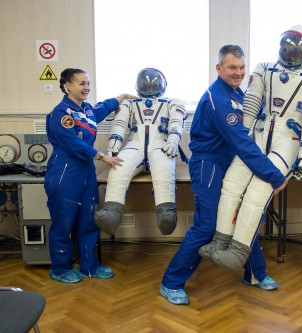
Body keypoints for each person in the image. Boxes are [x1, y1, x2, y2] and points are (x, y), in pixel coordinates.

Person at [200, 25, 302, 271]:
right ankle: (220, 239)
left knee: (257, 192)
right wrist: (243, 134)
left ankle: (238, 251)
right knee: (231, 183)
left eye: (298, 48)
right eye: (287, 46)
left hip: (289, 141)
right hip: (260, 134)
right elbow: (251, 104)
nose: (291, 53)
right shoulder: (265, 69)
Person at [160, 45, 288, 305]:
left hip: (230, 162)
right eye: (232, 67)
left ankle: (254, 273)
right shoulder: (217, 97)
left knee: (242, 216)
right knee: (207, 226)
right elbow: (241, 141)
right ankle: (171, 282)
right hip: (209, 165)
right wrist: (274, 176)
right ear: (219, 68)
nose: (238, 72)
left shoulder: (236, 93)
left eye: (241, 67)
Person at [44, 68, 137, 283]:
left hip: (85, 171)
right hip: (65, 172)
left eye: (88, 83)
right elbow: (72, 143)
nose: (86, 87)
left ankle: (89, 266)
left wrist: (122, 97)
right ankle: (59, 268)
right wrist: (102, 157)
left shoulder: (86, 109)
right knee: (63, 223)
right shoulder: (61, 114)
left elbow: (102, 108)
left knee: (88, 220)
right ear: (68, 85)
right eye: (81, 83)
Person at [95, 68, 186, 236]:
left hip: (161, 144)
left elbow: (176, 121)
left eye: (154, 84)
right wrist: (114, 145)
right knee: (118, 167)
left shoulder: (172, 102)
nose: (149, 87)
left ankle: (166, 215)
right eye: (145, 84)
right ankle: (111, 214)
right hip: (134, 144)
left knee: (164, 170)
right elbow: (120, 124)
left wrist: (173, 140)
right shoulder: (129, 104)